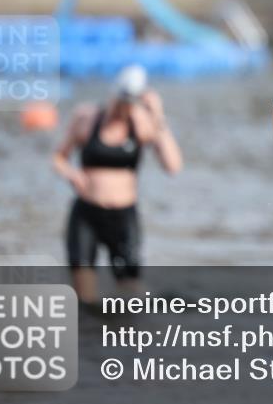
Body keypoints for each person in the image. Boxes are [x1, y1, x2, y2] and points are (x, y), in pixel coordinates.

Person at [52, 64, 182, 303]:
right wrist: (71, 173)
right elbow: (59, 157)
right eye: (121, 101)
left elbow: (173, 166)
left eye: (131, 103)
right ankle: (90, 337)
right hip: (86, 214)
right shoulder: (87, 117)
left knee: (132, 295)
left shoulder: (142, 124)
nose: (124, 109)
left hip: (123, 217)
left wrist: (158, 116)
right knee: (84, 300)